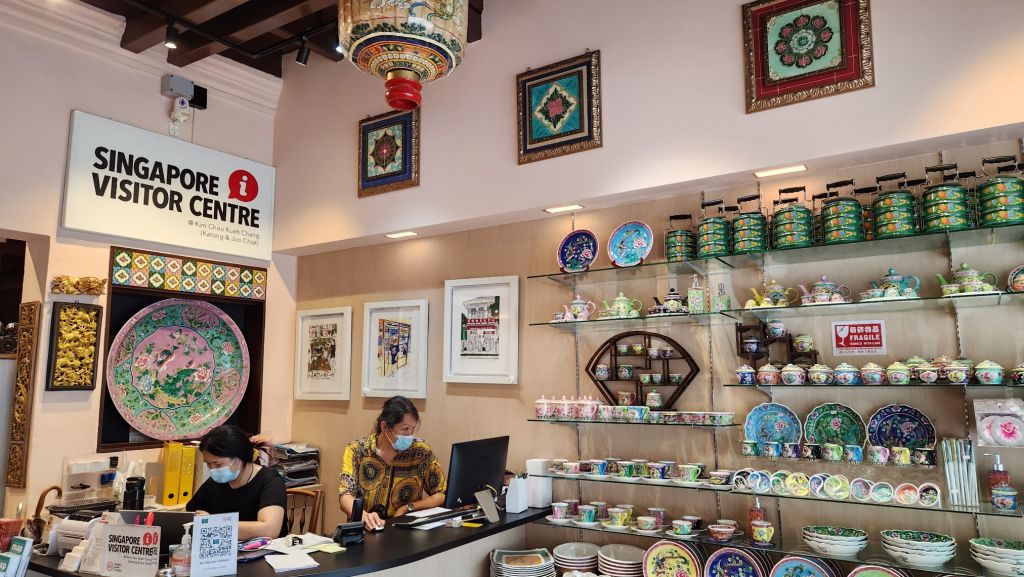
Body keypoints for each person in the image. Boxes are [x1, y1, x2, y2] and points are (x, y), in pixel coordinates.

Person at [339, 396, 447, 530]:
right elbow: (345, 496)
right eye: (405, 429)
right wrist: (364, 516)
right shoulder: (357, 450)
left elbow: (441, 494)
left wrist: (408, 507)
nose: (409, 435)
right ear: (384, 426)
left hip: (404, 531)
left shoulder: (421, 452)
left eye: (412, 429)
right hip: (366, 530)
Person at [187, 425, 287, 539]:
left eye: (218, 464)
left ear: (238, 458)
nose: (212, 470)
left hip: (265, 549)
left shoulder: (270, 481)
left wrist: (214, 524)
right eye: (208, 464)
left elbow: (269, 530)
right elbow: (186, 514)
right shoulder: (215, 482)